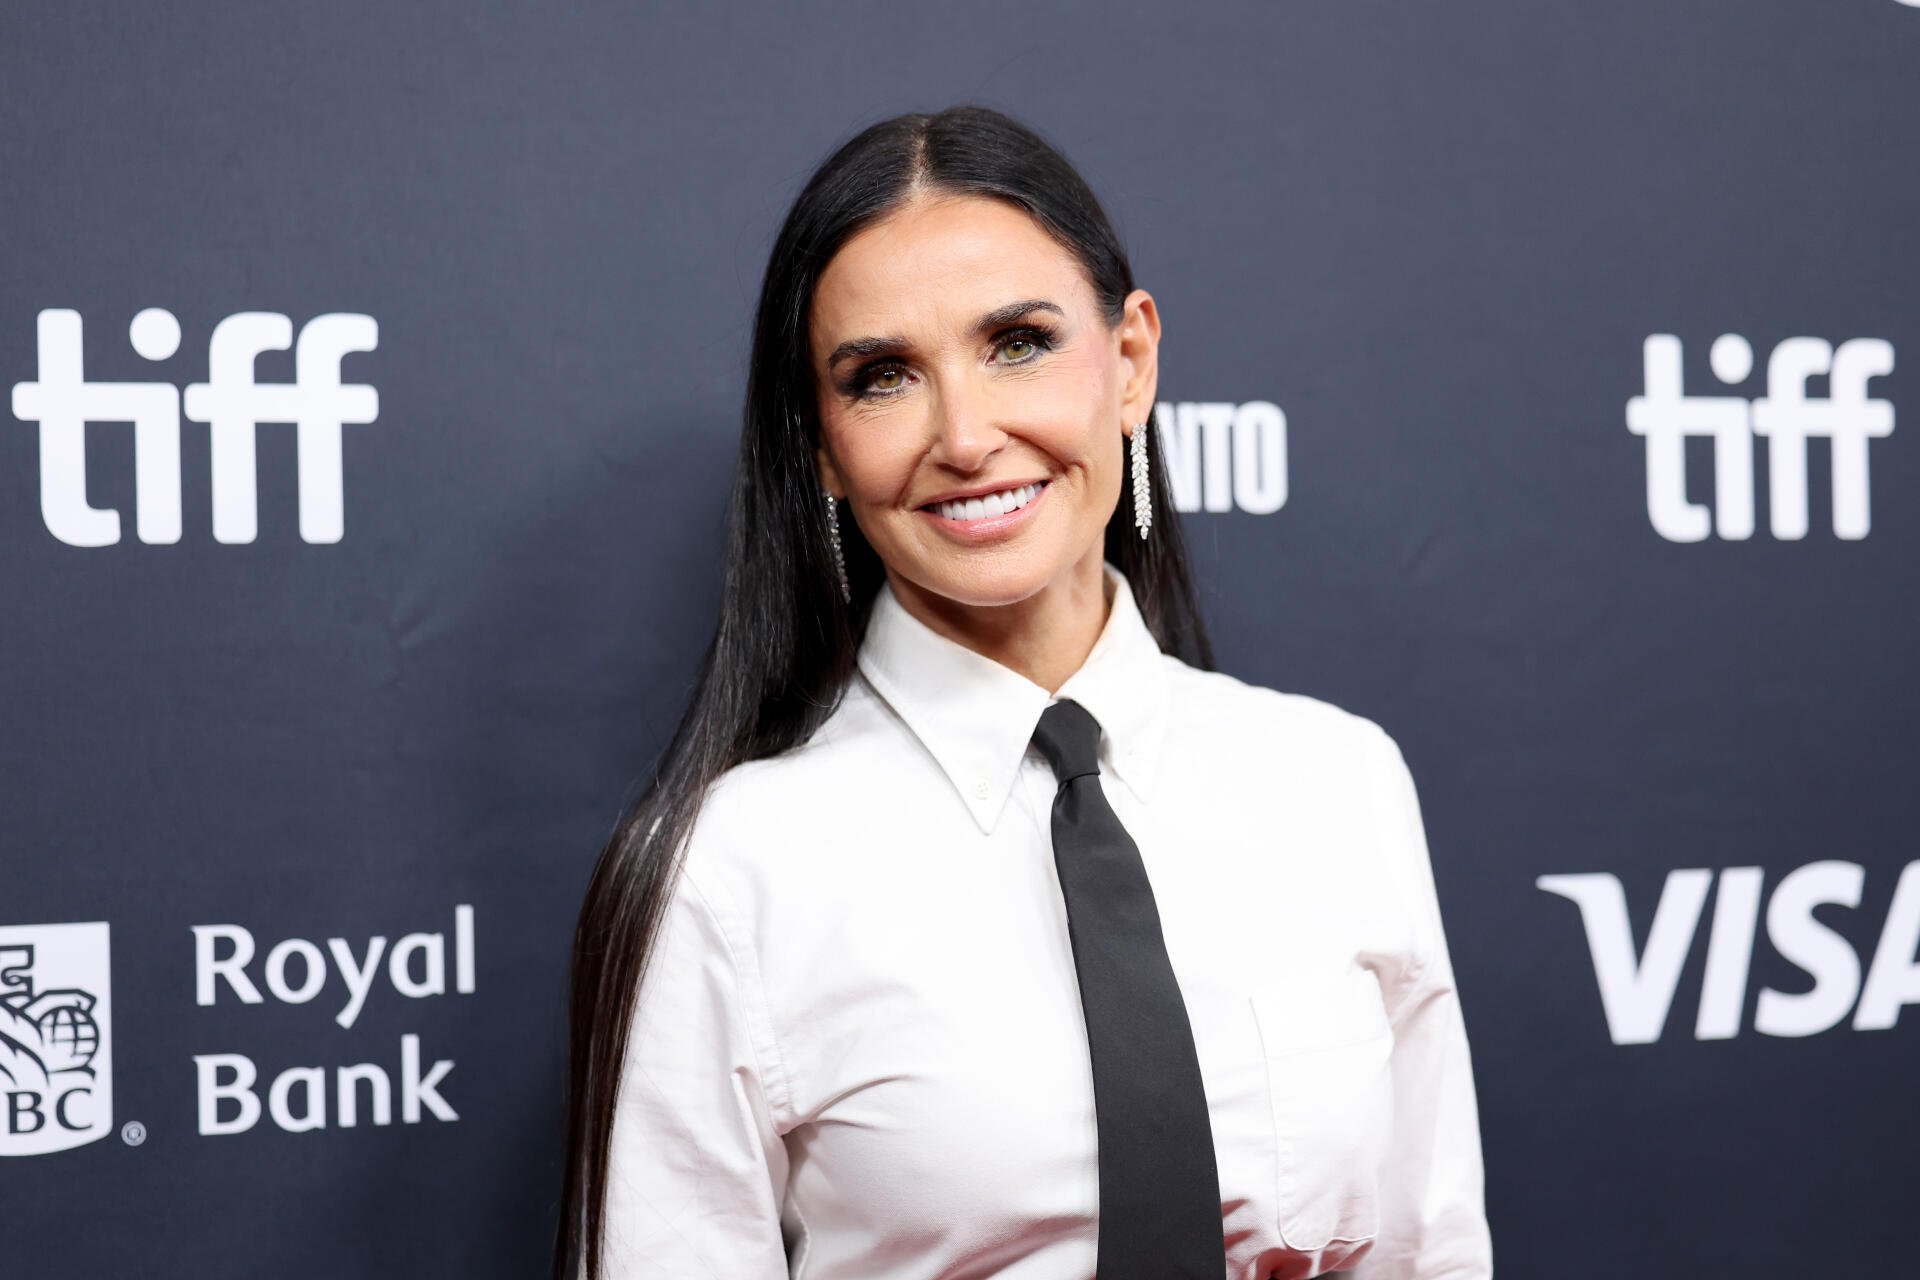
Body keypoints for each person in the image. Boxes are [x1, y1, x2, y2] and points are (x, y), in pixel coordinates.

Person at [554, 103, 1492, 1280]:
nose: (964, 433)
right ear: (824, 452)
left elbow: (1433, 1247)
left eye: (1017, 343)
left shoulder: (1336, 779)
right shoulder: (730, 871)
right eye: (884, 376)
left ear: (1132, 361)